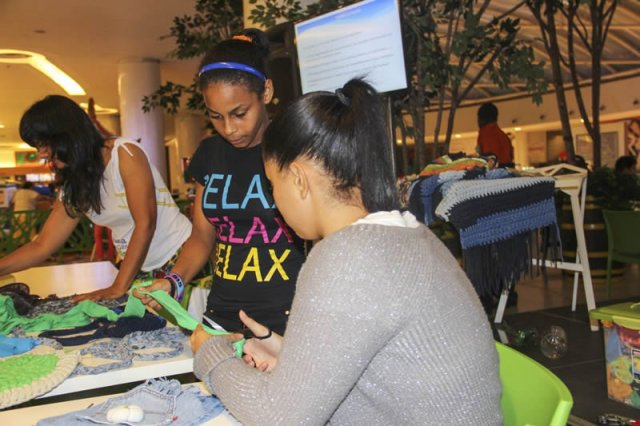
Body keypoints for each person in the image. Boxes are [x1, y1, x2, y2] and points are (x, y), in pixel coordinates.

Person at [189, 79, 502, 424]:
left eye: (272, 184)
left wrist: (211, 355)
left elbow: (277, 419)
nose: (275, 202)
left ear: (298, 178)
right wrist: (293, 359)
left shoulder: (346, 258)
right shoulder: (409, 235)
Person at [137, 29, 306, 335]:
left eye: (240, 113)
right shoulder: (210, 154)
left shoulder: (295, 148)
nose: (229, 129)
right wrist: (173, 280)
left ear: (265, 92)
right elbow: (203, 236)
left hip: (290, 315)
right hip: (223, 313)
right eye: (216, 116)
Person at [0, 95, 207, 307]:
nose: (41, 153)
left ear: (67, 134)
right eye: (37, 146)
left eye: (44, 144)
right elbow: (42, 245)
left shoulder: (125, 154)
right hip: (138, 272)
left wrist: (117, 287)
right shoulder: (76, 183)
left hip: (182, 262)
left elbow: (145, 223)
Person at [476, 102, 514, 167]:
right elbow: (511, 156)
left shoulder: (485, 134)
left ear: (481, 119)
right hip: (506, 171)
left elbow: (489, 160)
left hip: (496, 173)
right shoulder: (503, 135)